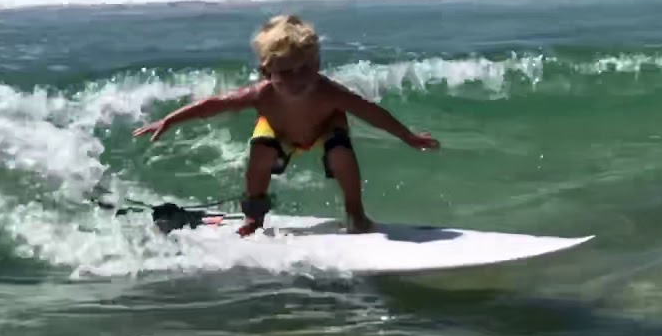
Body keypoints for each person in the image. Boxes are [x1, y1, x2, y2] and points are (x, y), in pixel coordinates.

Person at [133, 14, 440, 236]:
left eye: (304, 69)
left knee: (341, 153)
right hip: (279, 130)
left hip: (323, 127)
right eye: (286, 72)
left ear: (317, 65)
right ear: (267, 72)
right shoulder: (260, 96)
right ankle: (255, 217)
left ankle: (356, 213)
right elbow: (212, 106)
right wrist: (170, 120)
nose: (297, 79)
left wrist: (407, 136)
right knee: (260, 156)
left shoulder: (328, 91)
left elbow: (370, 112)